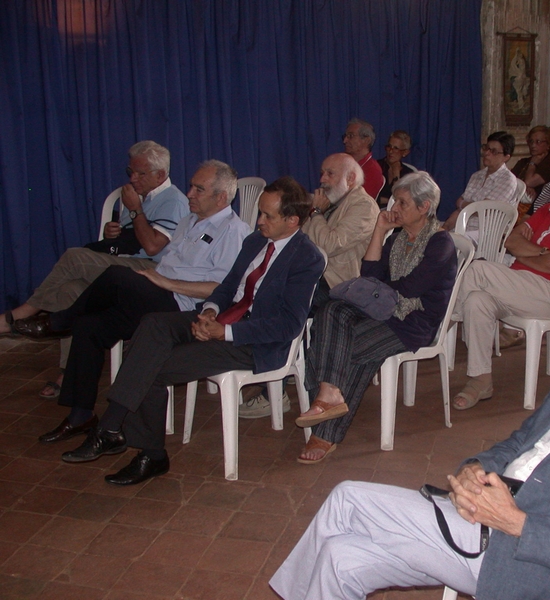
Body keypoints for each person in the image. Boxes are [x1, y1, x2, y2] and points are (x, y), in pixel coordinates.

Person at [270, 267, 550, 600]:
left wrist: (515, 521)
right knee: (340, 558)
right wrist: (476, 468)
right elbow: (523, 440)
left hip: (532, 558)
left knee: (348, 498)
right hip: (486, 513)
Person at [58, 177, 325, 486]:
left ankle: (147, 452)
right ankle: (112, 429)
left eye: (268, 216)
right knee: (154, 324)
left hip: (253, 341)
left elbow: (288, 324)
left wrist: (221, 332)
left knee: (154, 366)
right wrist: (209, 312)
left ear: (292, 220)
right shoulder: (255, 241)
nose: (259, 220)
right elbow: (227, 288)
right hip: (221, 319)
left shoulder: (306, 258)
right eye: (260, 213)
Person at [25, 161, 250, 444]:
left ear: (220, 197)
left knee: (118, 275)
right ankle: (80, 415)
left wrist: (167, 283)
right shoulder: (187, 222)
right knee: (89, 326)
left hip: (181, 306)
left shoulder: (234, 232)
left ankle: (58, 321)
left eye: (198, 189)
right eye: (191, 185)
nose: (190, 193)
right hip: (154, 296)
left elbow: (222, 290)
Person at [293, 172, 457, 464]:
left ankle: (326, 430)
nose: (395, 207)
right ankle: (330, 394)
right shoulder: (398, 238)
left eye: (403, 203)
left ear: (424, 206)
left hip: (413, 322)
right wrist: (380, 229)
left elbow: (411, 287)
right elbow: (369, 274)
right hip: (383, 310)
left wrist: (377, 290)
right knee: (331, 309)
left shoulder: (440, 242)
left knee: (347, 350)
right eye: (395, 200)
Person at [3, 141, 190, 397]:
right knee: (71, 290)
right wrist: (112, 235)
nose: (133, 178)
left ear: (160, 175)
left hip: (152, 270)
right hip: (125, 262)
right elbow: (131, 240)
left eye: (140, 173)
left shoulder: (173, 200)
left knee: (74, 258)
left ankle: (22, 313)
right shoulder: (140, 196)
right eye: (130, 172)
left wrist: (135, 211)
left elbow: (153, 247)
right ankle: (68, 370)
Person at [452, 154, 550, 410]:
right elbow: (510, 241)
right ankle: (481, 379)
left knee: (478, 270)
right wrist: (544, 255)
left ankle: (442, 323)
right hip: (522, 286)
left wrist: (531, 253)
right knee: (477, 300)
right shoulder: (549, 209)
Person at [238, 153, 380, 419]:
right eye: (322, 173)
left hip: (342, 287)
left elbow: (329, 244)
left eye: (330, 174)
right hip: (318, 277)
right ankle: (273, 366)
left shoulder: (363, 206)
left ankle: (275, 389)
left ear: (350, 179)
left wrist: (313, 213)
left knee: (280, 298)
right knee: (261, 287)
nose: (322, 180)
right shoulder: (335, 203)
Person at [442, 131, 518, 242]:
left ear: (506, 157)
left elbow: (481, 210)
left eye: (494, 151)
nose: (486, 153)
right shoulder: (477, 176)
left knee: (450, 242)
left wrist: (463, 203)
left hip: (486, 235)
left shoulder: (507, 180)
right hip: (463, 227)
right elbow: (460, 210)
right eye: (486, 148)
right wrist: (445, 227)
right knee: (434, 235)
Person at [511, 125, 550, 203]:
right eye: (531, 141)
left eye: (538, 142)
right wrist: (524, 188)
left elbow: (529, 182)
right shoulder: (523, 162)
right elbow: (509, 183)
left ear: (548, 144)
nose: (533, 145)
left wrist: (532, 164)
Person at [342, 118, 383, 200]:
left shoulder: (372, 170)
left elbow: (360, 203)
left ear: (366, 140)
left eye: (350, 136)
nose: (345, 140)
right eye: (345, 136)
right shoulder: (344, 163)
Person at [376, 130, 414, 207]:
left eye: (396, 148)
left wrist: (396, 174)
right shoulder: (376, 166)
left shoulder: (409, 174)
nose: (390, 151)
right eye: (389, 146)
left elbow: (404, 200)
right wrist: (388, 201)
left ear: (405, 152)